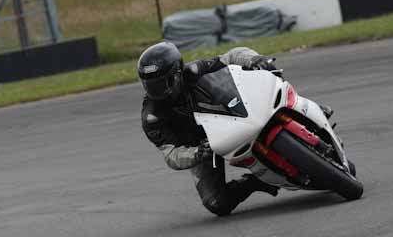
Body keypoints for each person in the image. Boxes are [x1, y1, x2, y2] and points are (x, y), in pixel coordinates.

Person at [138, 42, 332, 216]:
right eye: (151, 86)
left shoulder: (195, 71)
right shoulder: (152, 117)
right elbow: (171, 154)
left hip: (226, 115)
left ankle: (306, 107)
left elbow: (231, 56)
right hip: (202, 147)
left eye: (163, 84)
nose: (158, 92)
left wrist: (255, 60)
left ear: (178, 73)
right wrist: (197, 153)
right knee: (216, 203)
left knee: (272, 76)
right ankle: (256, 182)